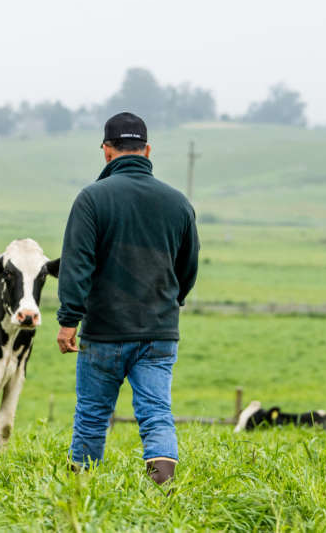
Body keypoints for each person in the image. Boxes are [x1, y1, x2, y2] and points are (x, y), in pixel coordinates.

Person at [55, 112, 199, 485]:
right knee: (156, 413)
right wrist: (167, 303)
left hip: (103, 333)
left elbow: (77, 264)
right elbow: (188, 270)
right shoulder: (178, 203)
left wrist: (69, 320)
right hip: (159, 332)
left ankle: (80, 497)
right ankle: (164, 495)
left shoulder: (91, 199)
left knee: (91, 414)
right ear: (147, 150)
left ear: (106, 151)